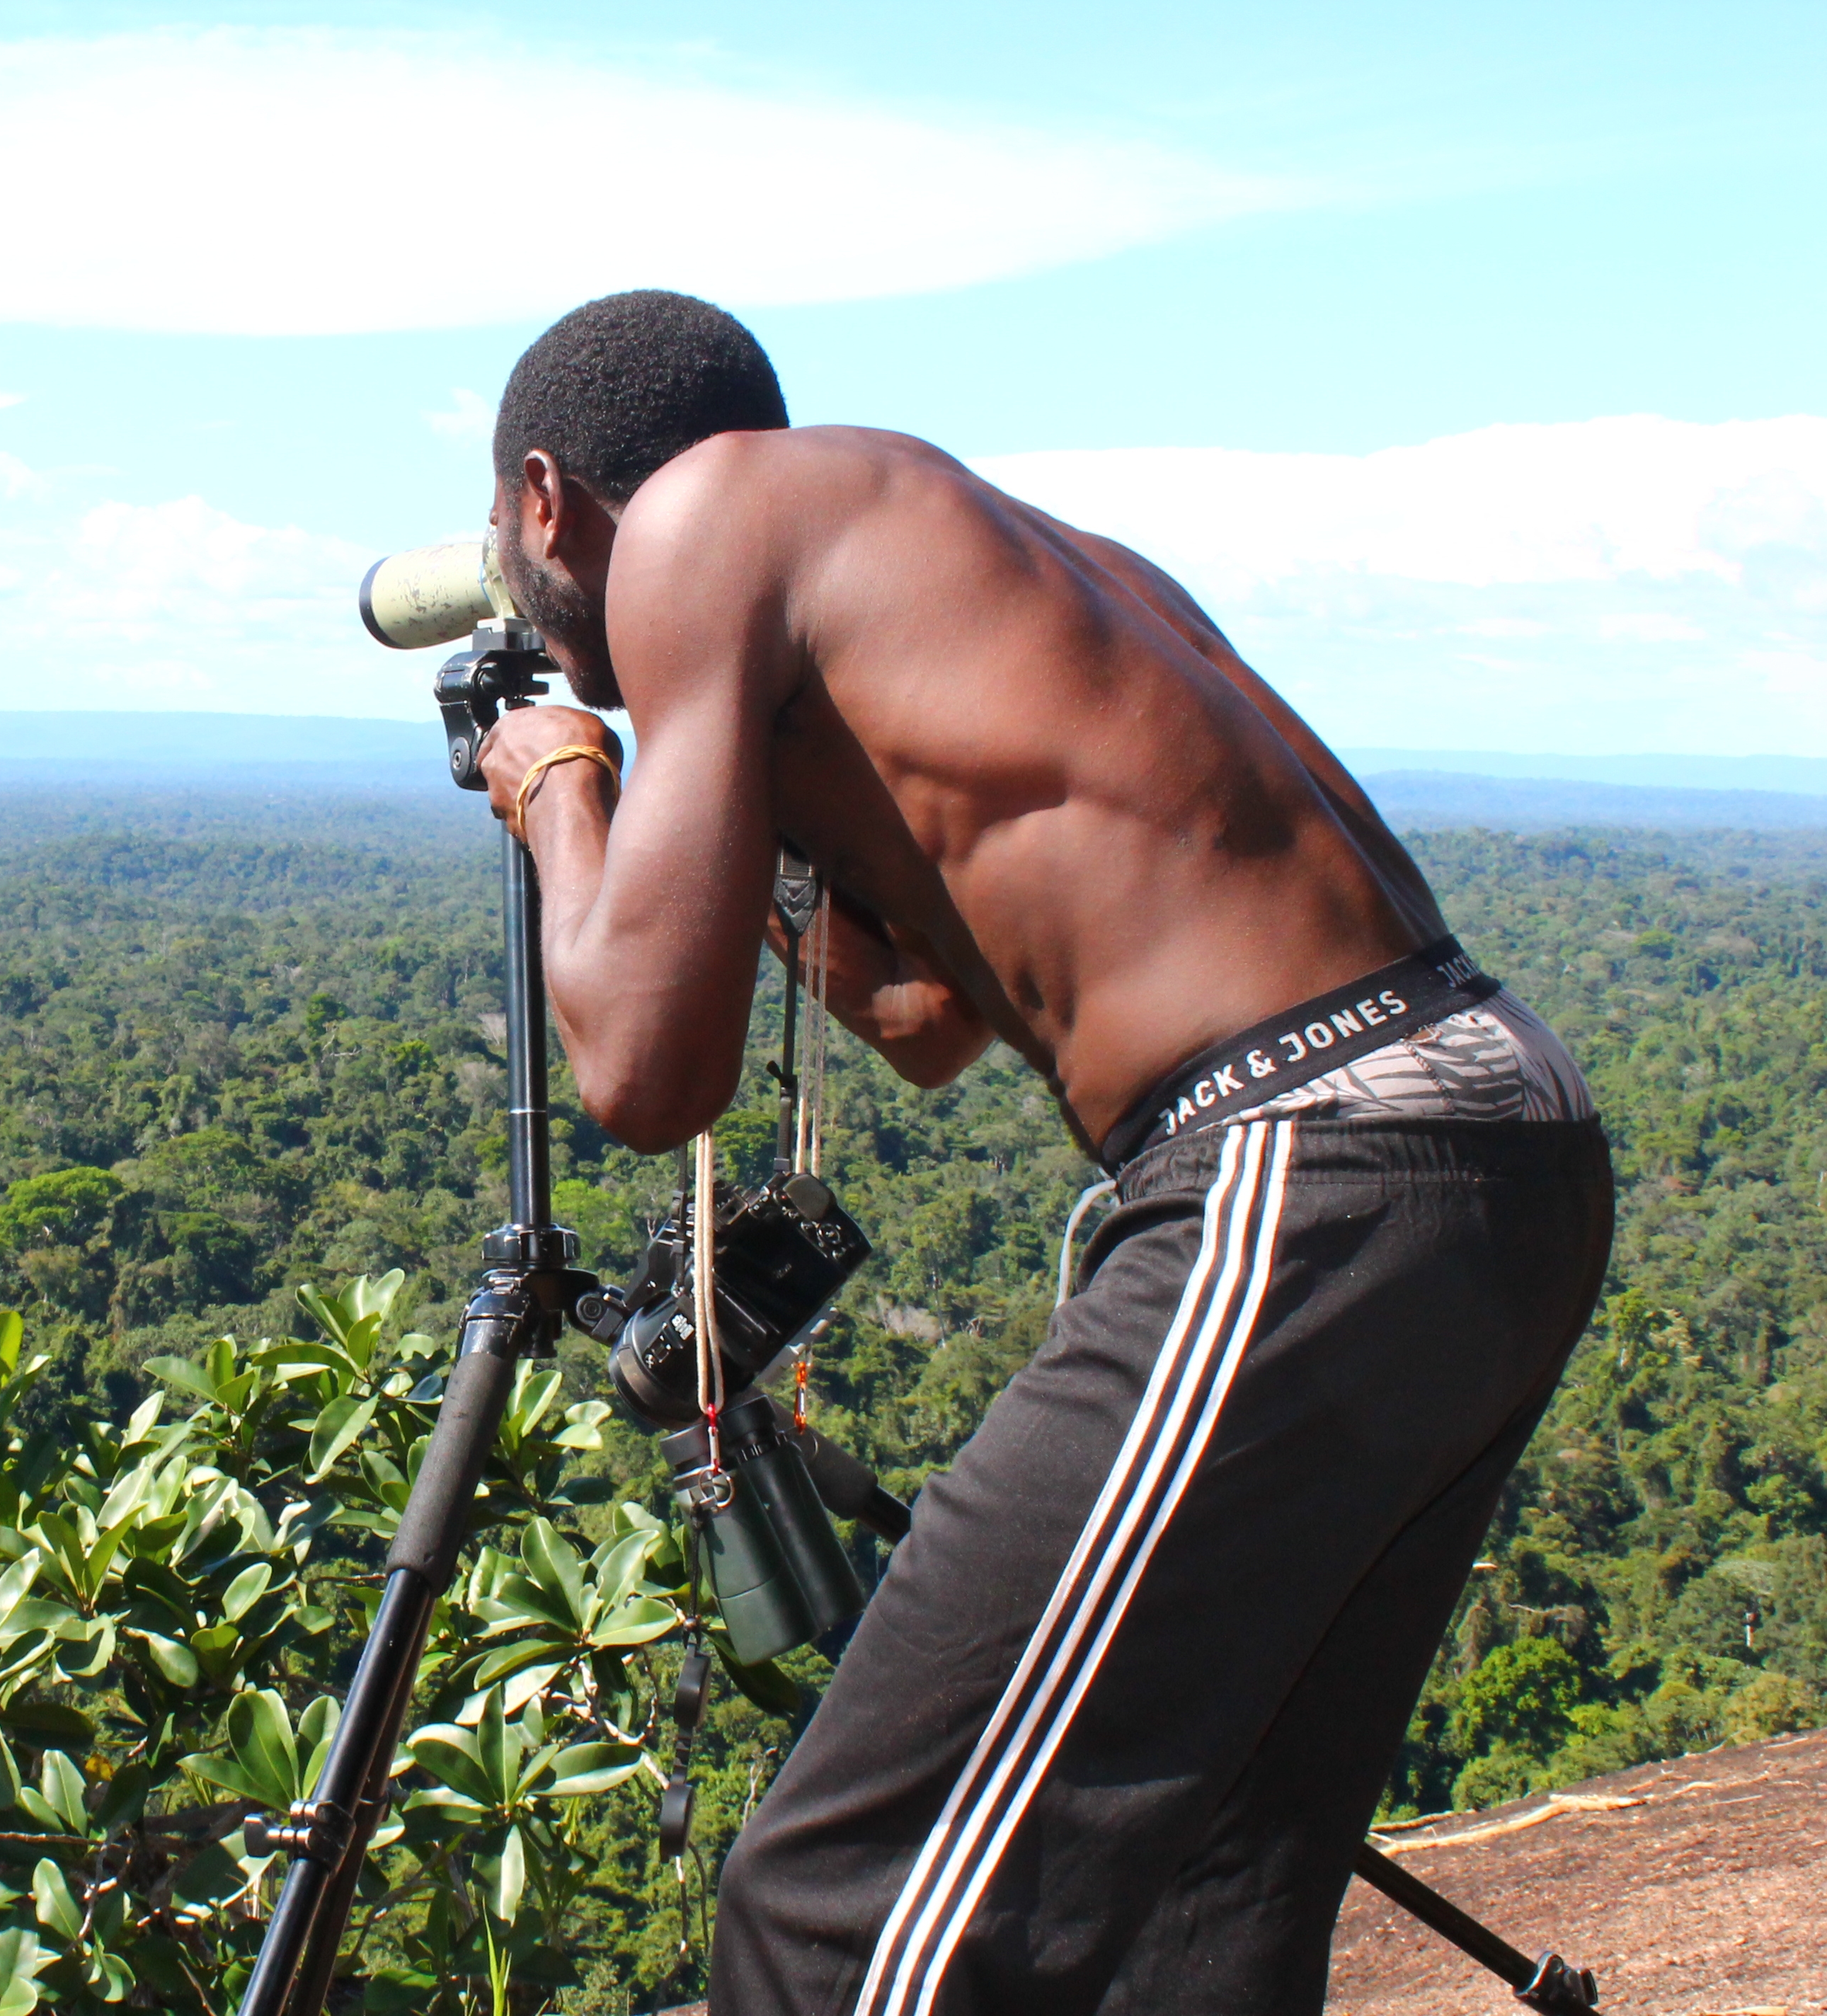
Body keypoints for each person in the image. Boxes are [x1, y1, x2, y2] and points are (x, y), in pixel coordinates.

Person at [469, 290, 1614, 2015]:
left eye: (509, 549)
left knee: (836, 1910)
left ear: (548, 503)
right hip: (1490, 1145)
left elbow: (640, 1071)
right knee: (1199, 1899)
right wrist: (722, 840)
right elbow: (930, 1019)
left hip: (1306, 1162)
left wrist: (564, 788)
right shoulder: (992, 550)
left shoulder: (703, 517)